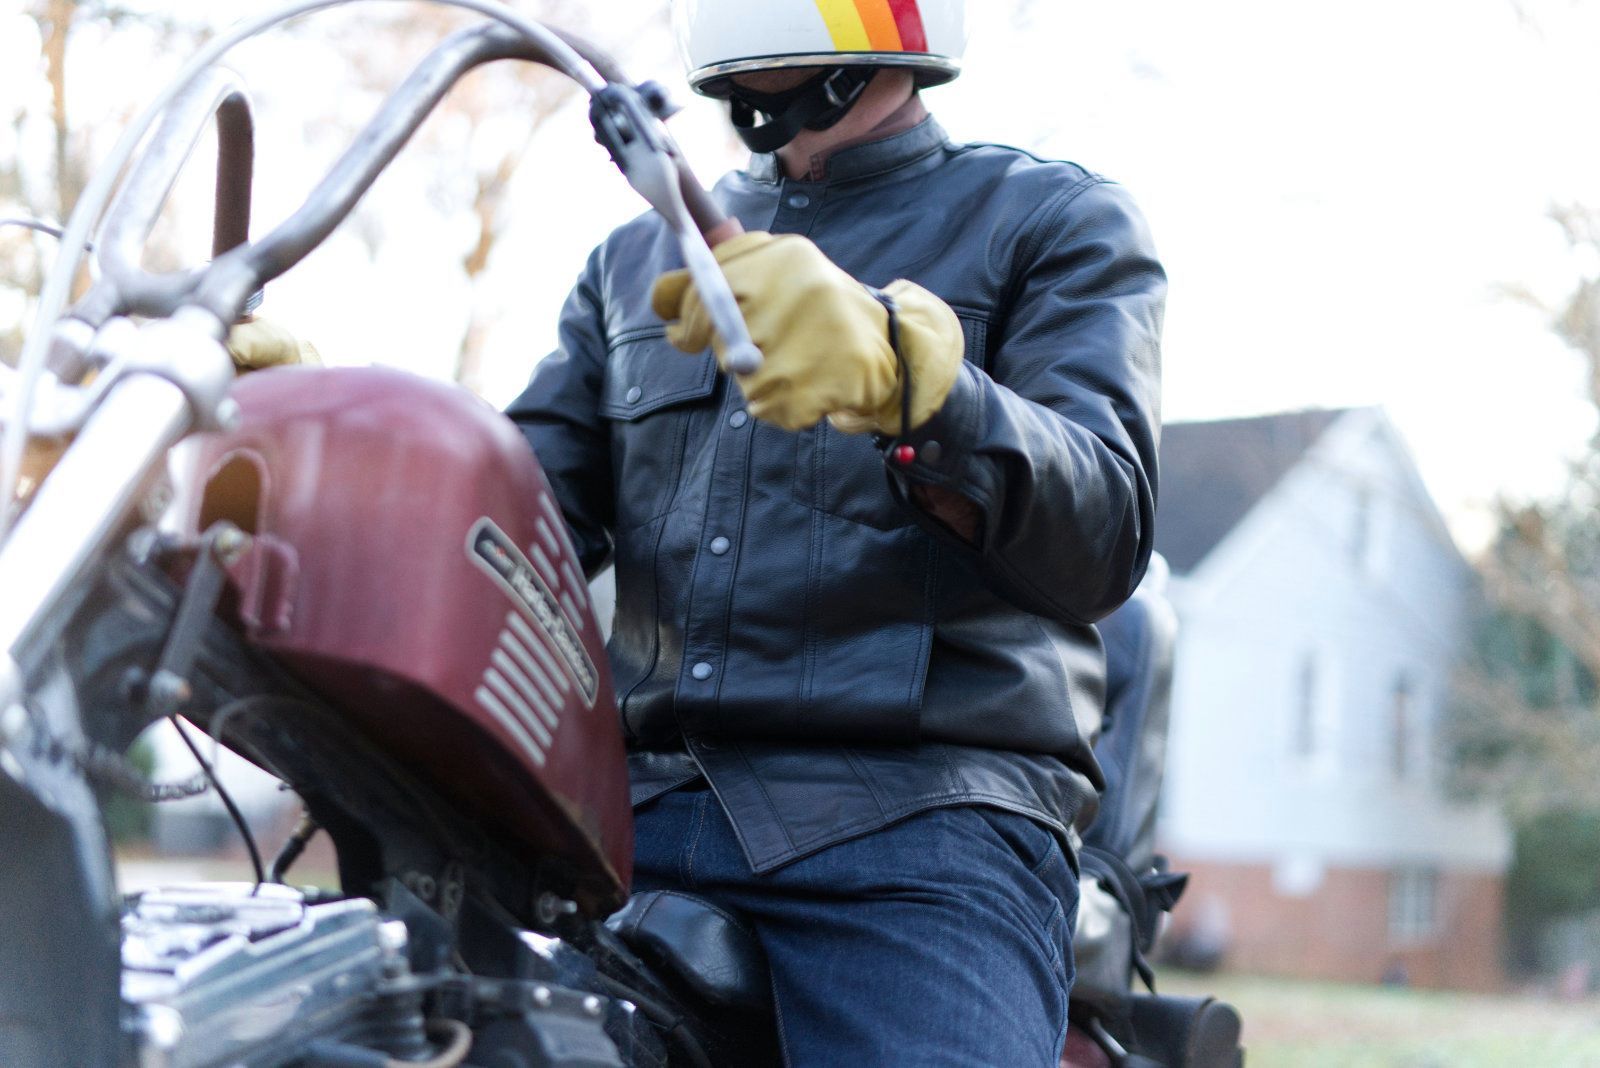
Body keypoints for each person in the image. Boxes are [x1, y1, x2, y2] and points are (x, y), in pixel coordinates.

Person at [506, 2, 1166, 1064]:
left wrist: (923, 388)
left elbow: (1104, 536)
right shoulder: (631, 263)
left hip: (918, 827)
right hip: (627, 823)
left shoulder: (1050, 219)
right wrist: (314, 452)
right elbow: (507, 522)